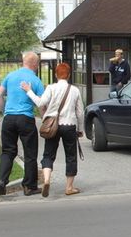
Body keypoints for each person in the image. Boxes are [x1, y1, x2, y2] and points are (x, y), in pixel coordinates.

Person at [21, 63, 84, 197]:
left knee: (48, 154)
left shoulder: (51, 88)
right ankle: (69, 187)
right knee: (71, 157)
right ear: (69, 75)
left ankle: (47, 180)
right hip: (69, 125)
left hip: (52, 126)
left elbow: (40, 103)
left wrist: (28, 91)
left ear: (56, 74)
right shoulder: (74, 90)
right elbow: (80, 112)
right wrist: (80, 129)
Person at [0, 51, 45, 196]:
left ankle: (1, 180)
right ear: (35, 64)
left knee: (8, 151)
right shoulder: (35, 80)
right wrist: (44, 120)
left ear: (23, 62)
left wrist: (5, 111)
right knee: (30, 153)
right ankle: (29, 186)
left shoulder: (10, 76)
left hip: (9, 118)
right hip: (26, 119)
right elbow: (42, 105)